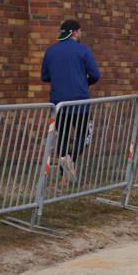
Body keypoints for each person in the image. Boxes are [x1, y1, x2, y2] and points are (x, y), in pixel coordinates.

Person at [41, 19, 100, 186]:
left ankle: (64, 178)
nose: (80, 34)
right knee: (85, 135)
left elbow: (44, 76)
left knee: (63, 136)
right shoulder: (83, 50)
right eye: (80, 31)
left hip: (58, 104)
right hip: (80, 102)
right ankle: (71, 159)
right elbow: (95, 75)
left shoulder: (50, 51)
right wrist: (83, 82)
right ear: (75, 32)